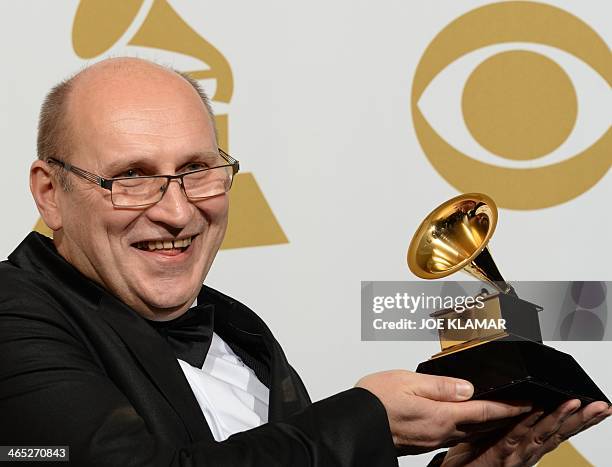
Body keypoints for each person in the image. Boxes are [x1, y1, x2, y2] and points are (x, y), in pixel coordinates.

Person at [0, 57, 609, 466]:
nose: (178, 213)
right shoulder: (12, 313)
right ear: (50, 192)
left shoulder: (239, 328)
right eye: (131, 178)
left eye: (196, 171)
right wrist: (369, 423)